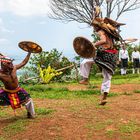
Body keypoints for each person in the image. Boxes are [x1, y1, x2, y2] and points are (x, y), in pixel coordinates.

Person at [91, 17, 122, 105]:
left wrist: (93, 44)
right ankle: (104, 97)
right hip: (113, 55)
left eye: (94, 26)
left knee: (86, 61)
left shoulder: (101, 31)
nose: (93, 28)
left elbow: (103, 40)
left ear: (97, 26)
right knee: (107, 77)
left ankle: (85, 78)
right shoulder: (111, 33)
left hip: (104, 55)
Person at [0, 52, 35, 118]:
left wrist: (29, 52)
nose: (11, 65)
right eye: (9, 64)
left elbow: (24, 62)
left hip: (18, 90)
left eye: (11, 63)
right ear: (3, 65)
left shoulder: (14, 68)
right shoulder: (1, 74)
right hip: (6, 92)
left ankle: (31, 114)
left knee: (29, 100)